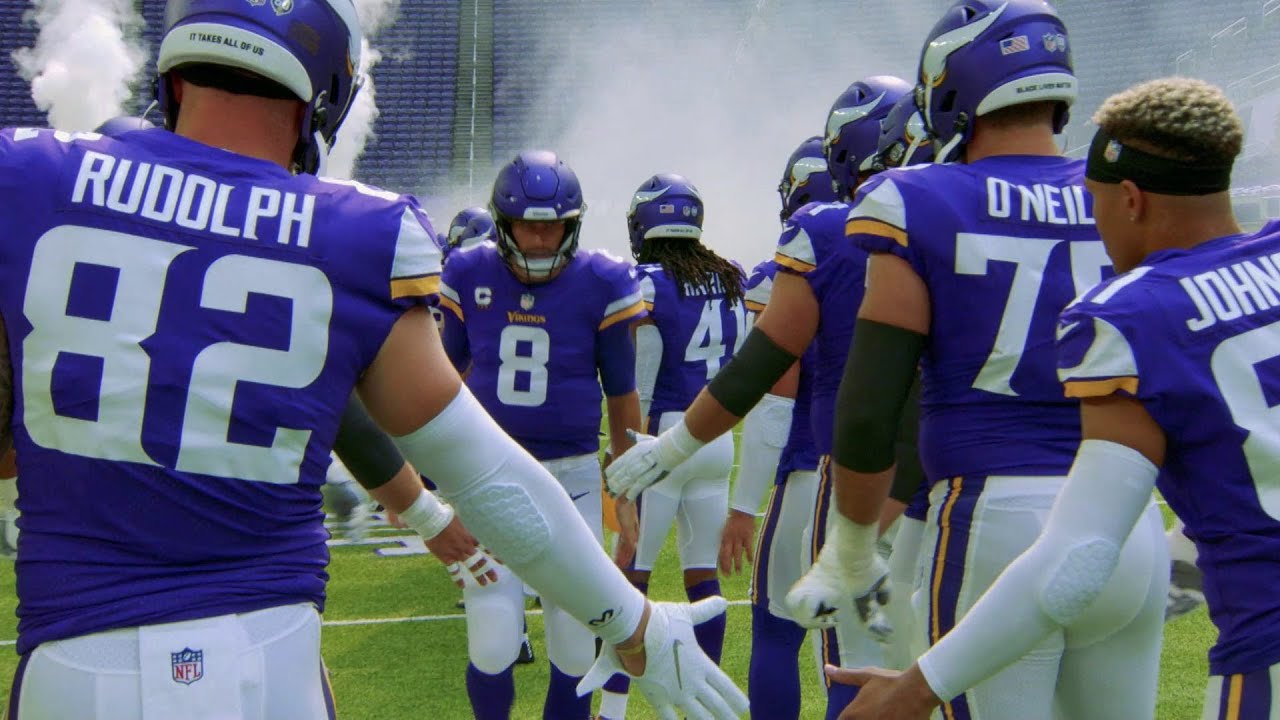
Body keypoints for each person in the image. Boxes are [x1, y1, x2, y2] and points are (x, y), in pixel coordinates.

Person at [0, 1, 747, 718]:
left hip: (72, 665)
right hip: (267, 656)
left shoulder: (24, 175)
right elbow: (485, 472)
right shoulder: (359, 232)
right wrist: (636, 624)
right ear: (326, 93)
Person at [830, 76, 1272, 720]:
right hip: (1146, 548)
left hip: (1258, 646)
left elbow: (1077, 556)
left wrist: (915, 688)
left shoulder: (1134, 315)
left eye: (1094, 204)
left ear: (1130, 199)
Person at [790, 2, 1168, 718]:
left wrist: (852, 545)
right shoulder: (1124, 199)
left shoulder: (915, 199)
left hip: (997, 521)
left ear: (952, 86)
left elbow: (869, 411)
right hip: (1127, 522)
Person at [609, 75, 917, 719]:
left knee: (809, 641)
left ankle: (613, 708)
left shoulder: (809, 245)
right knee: (923, 659)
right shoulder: (946, 217)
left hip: (822, 471)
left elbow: (771, 390)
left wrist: (741, 503)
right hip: (944, 476)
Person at [438, 150, 648, 720]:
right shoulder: (468, 272)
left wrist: (626, 489)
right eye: (527, 225)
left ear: (572, 224)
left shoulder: (603, 280)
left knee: (575, 644)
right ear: (502, 223)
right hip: (489, 475)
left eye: (551, 225)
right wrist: (431, 472)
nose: (538, 238)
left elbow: (622, 392)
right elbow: (444, 377)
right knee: (493, 641)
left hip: (572, 479)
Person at [597, 173, 746, 720]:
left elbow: (640, 380)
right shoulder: (730, 277)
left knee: (627, 581)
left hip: (662, 440)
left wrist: (622, 457)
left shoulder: (651, 283)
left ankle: (612, 710)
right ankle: (708, 699)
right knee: (702, 576)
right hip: (716, 437)